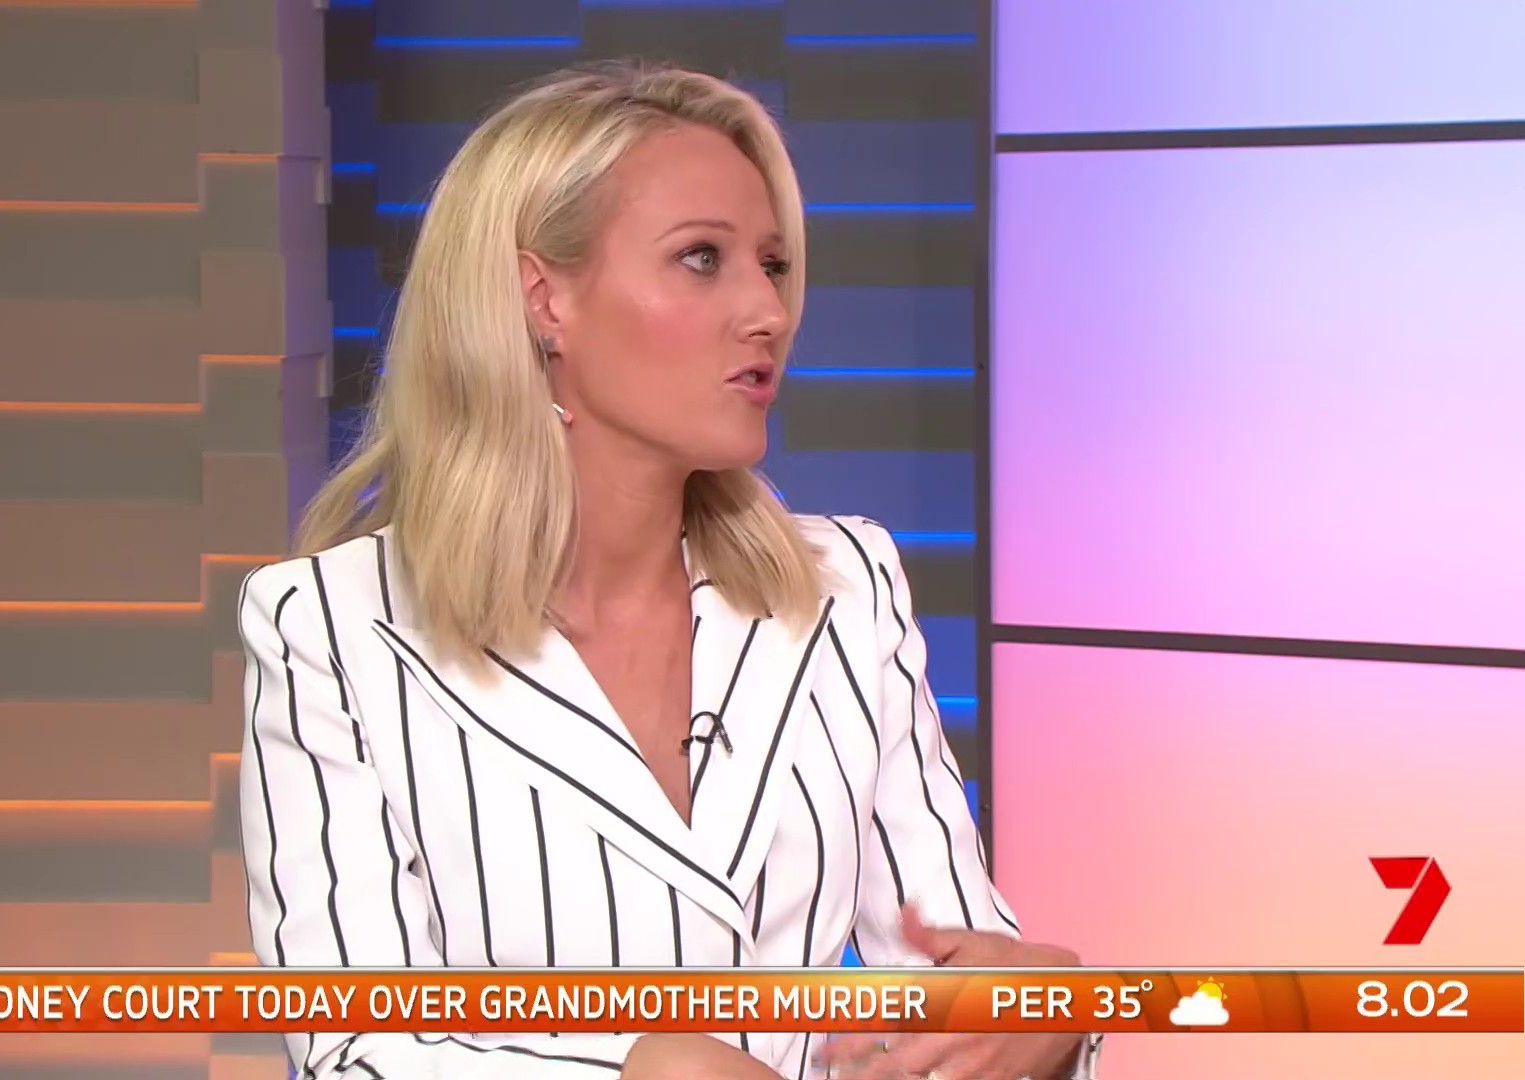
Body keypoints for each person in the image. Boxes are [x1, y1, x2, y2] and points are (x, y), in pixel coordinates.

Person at [236, 60, 1103, 1080]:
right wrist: (641, 1071)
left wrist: (1047, 1021)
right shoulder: (329, 630)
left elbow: (947, 974)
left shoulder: (847, 587)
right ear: (544, 300)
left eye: (772, 266)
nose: (767, 311)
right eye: (702, 259)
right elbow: (355, 1046)